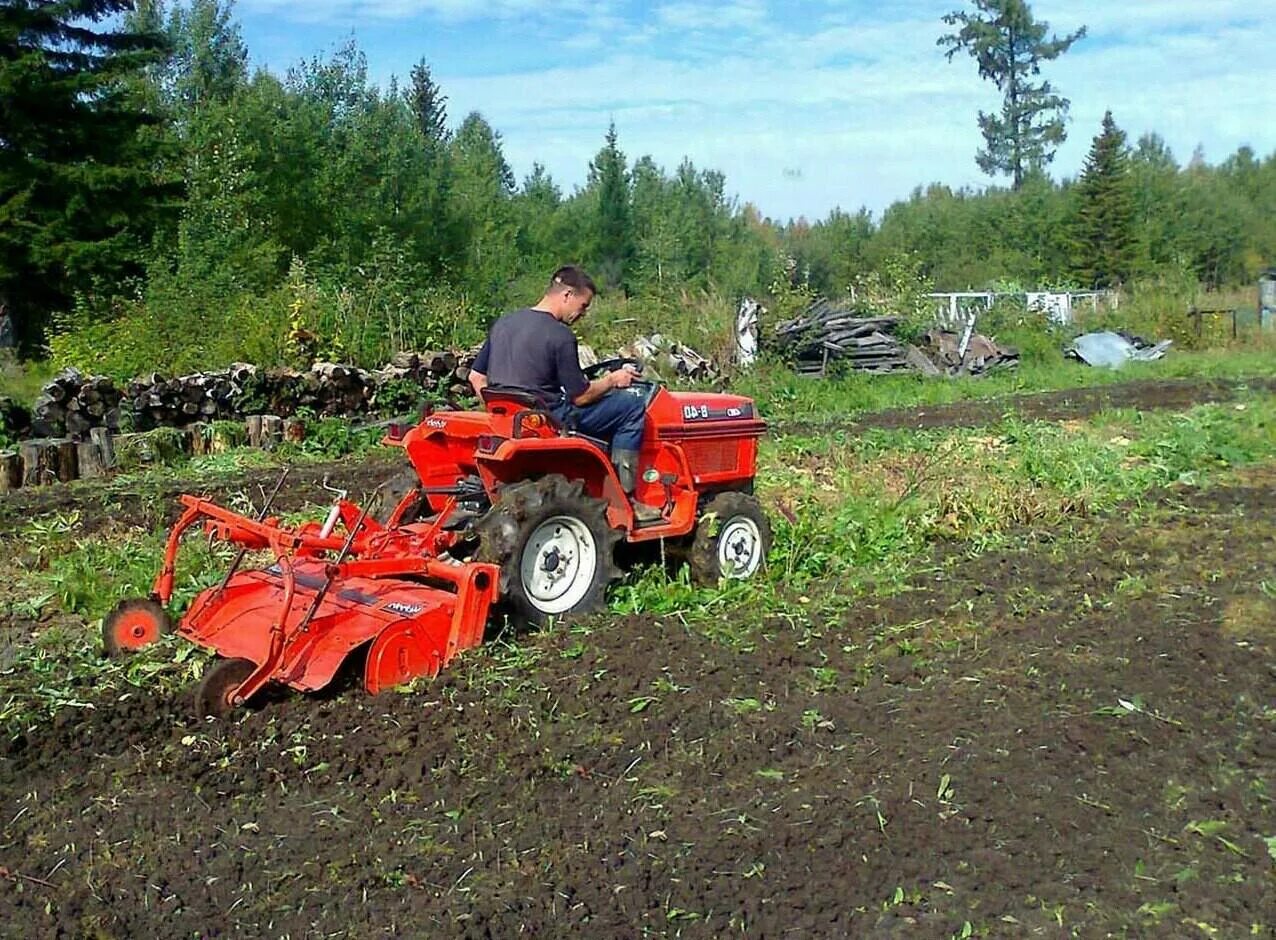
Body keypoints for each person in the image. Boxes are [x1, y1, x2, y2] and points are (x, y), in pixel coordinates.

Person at [468, 265, 648, 496]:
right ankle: (627, 494)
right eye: (583, 306)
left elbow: (476, 377)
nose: (583, 314)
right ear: (567, 295)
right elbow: (581, 397)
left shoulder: (504, 323)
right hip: (551, 418)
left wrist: (497, 409)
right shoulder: (560, 335)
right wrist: (612, 379)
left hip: (511, 418)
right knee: (631, 407)